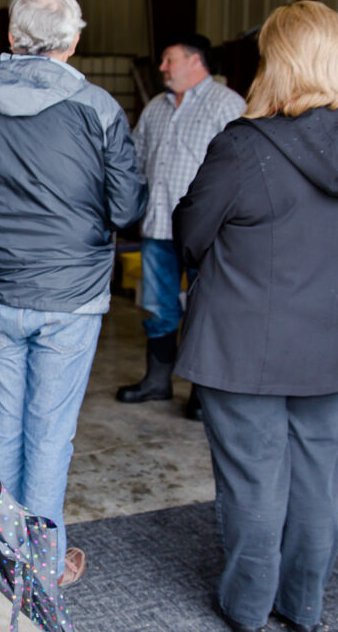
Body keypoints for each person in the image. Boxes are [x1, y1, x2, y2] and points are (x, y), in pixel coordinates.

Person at [172, 1, 338, 632]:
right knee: (318, 480)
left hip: (245, 348)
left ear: (277, 61)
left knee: (254, 486)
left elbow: (191, 234)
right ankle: (303, 605)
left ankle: (245, 607)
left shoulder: (245, 146)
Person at [0, 0, 147, 587]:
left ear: (10, 36)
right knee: (51, 431)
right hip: (73, 297)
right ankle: (39, 562)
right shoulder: (98, 109)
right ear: (73, 42)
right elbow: (127, 207)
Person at [115, 33, 245, 420]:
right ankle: (157, 381)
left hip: (209, 232)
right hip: (158, 226)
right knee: (157, 307)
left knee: (208, 310)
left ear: (194, 60)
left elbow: (243, 168)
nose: (162, 67)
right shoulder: (156, 106)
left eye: (168, 59)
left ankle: (205, 393)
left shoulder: (229, 105)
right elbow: (136, 158)